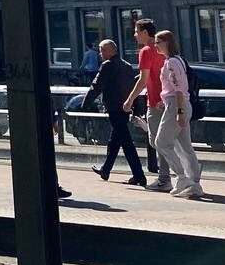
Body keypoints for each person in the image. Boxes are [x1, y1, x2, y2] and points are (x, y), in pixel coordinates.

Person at [84, 39, 145, 186]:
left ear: (112, 50)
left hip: (114, 107)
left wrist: (85, 104)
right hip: (124, 107)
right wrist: (134, 106)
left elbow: (96, 85)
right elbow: (133, 88)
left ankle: (139, 176)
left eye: (103, 50)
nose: (101, 54)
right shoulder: (127, 66)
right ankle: (106, 169)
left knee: (126, 142)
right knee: (116, 140)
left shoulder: (108, 65)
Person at [152, 30, 203, 199]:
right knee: (184, 145)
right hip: (180, 104)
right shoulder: (177, 60)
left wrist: (179, 111)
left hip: (176, 105)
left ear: (166, 43)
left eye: (158, 42)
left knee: (161, 142)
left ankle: (182, 176)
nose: (155, 45)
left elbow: (179, 88)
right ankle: (194, 182)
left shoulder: (171, 62)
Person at [123, 18, 172, 192]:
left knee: (157, 141)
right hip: (170, 100)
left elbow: (143, 79)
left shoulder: (146, 51)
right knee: (169, 141)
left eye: (136, 31)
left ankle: (166, 178)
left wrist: (130, 99)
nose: (135, 35)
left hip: (156, 101)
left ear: (144, 32)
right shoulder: (163, 48)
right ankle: (181, 173)